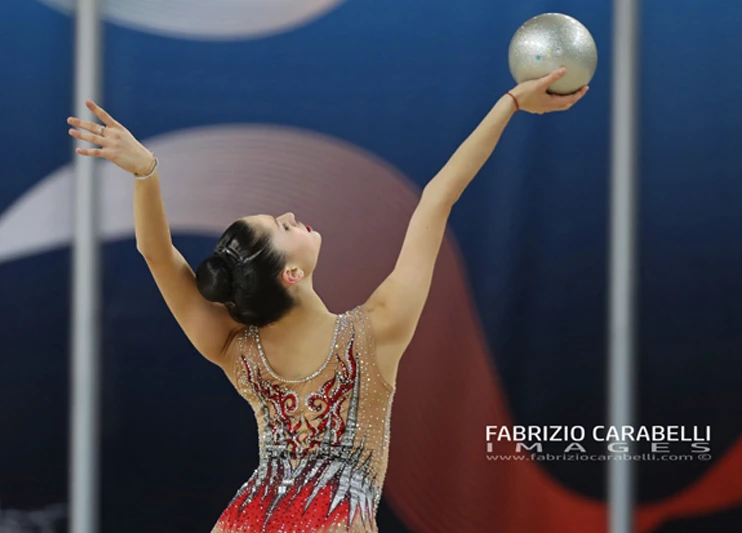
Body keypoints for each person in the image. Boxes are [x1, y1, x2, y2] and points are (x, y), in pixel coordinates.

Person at [67, 68, 587, 533]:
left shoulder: (234, 349)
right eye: (282, 226)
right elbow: (437, 198)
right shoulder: (376, 331)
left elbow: (157, 255)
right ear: (290, 273)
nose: (292, 214)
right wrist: (511, 104)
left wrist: (146, 172)